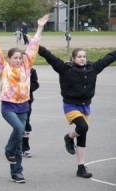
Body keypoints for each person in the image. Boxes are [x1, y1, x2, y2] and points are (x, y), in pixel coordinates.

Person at [0, 14, 49, 183]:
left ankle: (17, 172)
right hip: (8, 106)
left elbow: (33, 47)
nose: (18, 60)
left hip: (23, 106)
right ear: (9, 59)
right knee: (19, 130)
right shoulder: (4, 68)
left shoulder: (26, 66)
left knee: (19, 140)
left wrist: (40, 28)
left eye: (19, 58)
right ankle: (8, 151)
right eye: (14, 58)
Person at [38, 46, 116, 178]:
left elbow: (108, 58)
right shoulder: (65, 69)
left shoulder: (93, 68)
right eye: (79, 56)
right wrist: (36, 45)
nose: (82, 59)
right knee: (83, 127)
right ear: (73, 58)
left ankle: (81, 168)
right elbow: (50, 57)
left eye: (84, 56)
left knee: (83, 135)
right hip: (71, 106)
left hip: (85, 107)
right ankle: (69, 137)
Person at [22, 68, 39, 158]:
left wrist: (26, 87)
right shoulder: (12, 70)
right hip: (14, 101)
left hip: (27, 101)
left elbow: (36, 84)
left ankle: (25, 148)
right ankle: (17, 147)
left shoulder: (32, 71)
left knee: (26, 123)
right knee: (18, 125)